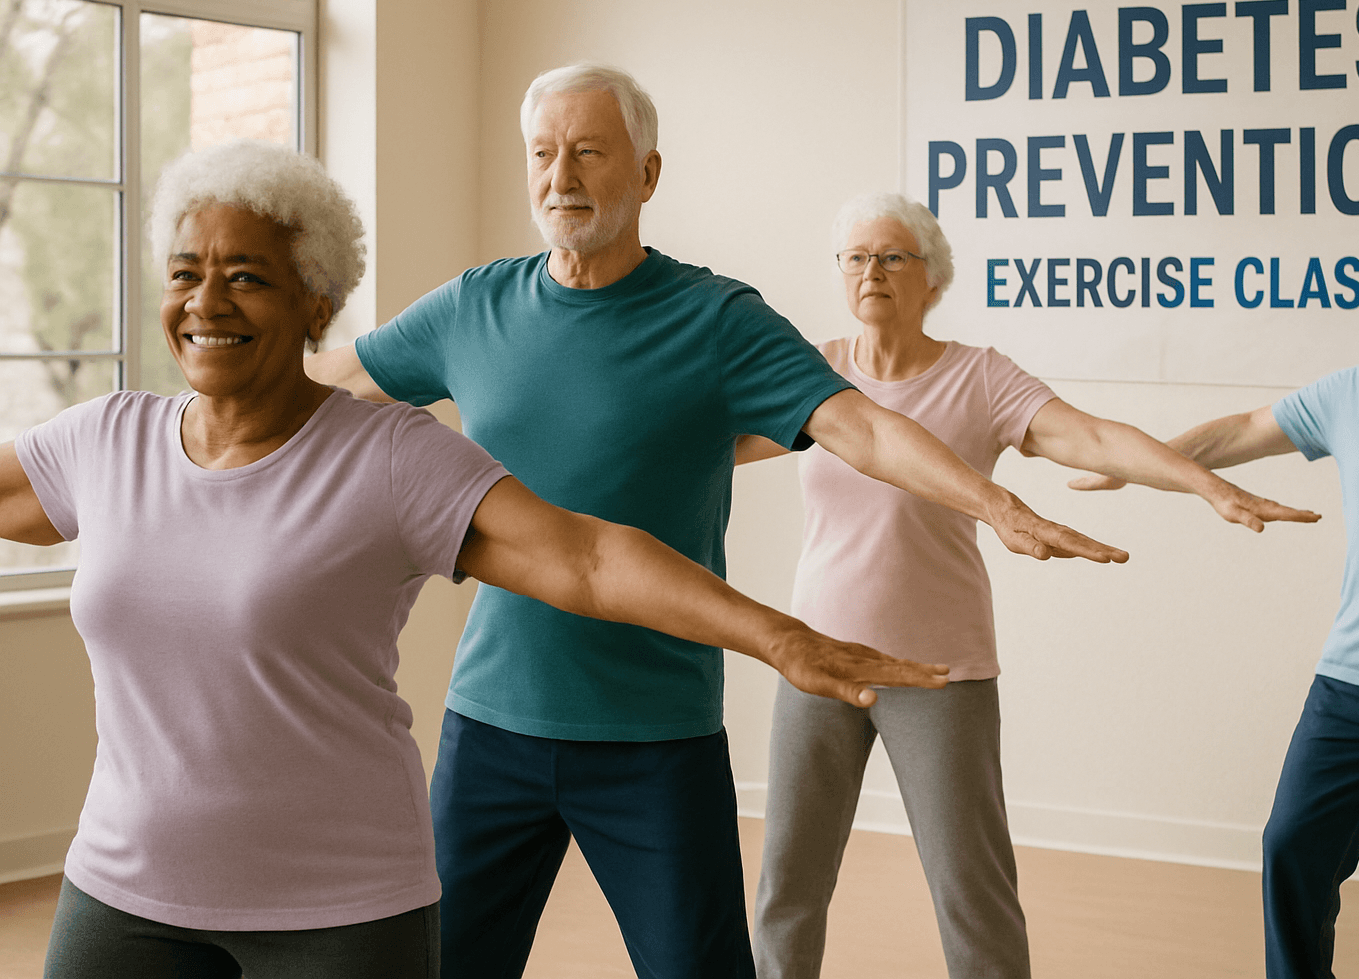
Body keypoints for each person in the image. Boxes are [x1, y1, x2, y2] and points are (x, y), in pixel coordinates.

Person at [0, 140, 949, 979]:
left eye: (246, 276)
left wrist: (780, 639)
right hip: (123, 892)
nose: (206, 302)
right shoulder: (103, 442)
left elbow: (587, 560)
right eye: (184, 273)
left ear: (314, 301)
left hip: (336, 912)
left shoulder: (388, 458)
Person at [302, 63, 1153, 979]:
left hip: (656, 737)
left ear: (649, 174)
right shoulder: (474, 307)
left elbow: (856, 423)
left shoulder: (714, 319)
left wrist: (993, 502)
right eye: (543, 155)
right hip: (492, 726)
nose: (562, 178)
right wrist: (173, 422)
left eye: (590, 152)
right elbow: (331, 384)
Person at [742, 192, 1319, 979]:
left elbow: (1088, 436)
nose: (870, 271)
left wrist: (1203, 484)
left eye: (891, 257)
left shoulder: (979, 378)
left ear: (931, 279)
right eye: (855, 258)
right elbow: (704, 441)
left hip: (942, 670)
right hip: (818, 660)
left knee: (971, 894)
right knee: (787, 890)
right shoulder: (813, 372)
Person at [1074, 229, 1359, 979]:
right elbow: (1243, 431)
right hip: (1358, 686)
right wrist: (1140, 465)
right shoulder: (1356, 393)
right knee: (1290, 850)